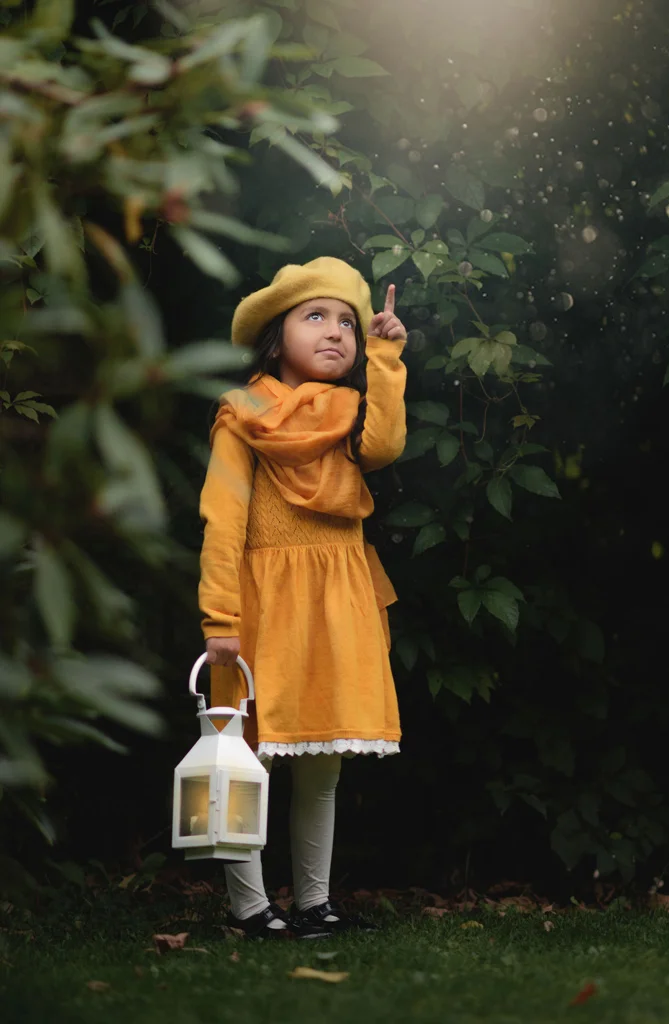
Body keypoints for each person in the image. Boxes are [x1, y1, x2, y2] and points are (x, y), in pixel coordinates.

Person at [198, 256, 407, 941]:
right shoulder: (244, 412)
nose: (335, 331)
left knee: (323, 762)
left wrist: (387, 356)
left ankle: (314, 902)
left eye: (347, 321)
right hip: (261, 603)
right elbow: (223, 520)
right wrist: (220, 616)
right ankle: (249, 905)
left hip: (337, 599)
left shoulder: (351, 411)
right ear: (274, 335)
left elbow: (385, 444)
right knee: (242, 757)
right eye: (314, 316)